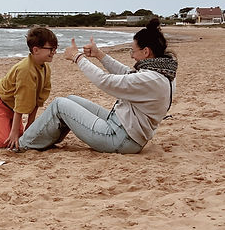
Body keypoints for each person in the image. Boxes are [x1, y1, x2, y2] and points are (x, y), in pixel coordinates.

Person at [20, 18, 177, 154]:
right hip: (123, 128)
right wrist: (99, 55)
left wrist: (77, 57)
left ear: (146, 52)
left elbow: (105, 81)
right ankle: (43, 140)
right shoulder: (163, 73)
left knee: (59, 105)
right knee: (71, 99)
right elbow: (127, 75)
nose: (132, 55)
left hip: (120, 138)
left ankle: (23, 144)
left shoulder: (151, 79)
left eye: (133, 51)